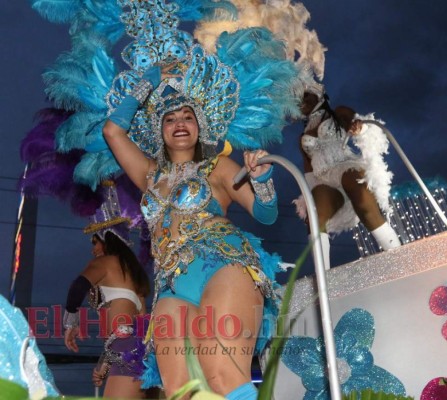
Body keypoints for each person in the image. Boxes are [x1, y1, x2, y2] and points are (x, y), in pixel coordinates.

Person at [102, 60, 283, 399]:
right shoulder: (149, 174)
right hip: (170, 285)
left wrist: (263, 181)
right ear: (160, 129)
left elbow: (266, 214)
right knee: (181, 390)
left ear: (200, 125)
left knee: (222, 374)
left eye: (187, 116)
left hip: (223, 265)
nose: (179, 123)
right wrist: (149, 81)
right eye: (169, 119)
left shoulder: (217, 166)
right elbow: (112, 131)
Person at [294, 84, 401, 269]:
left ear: (317, 94)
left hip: (344, 166)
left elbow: (362, 125)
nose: (300, 100)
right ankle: (324, 279)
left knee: (361, 196)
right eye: (296, 98)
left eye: (305, 94)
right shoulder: (302, 136)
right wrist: (308, 199)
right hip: (323, 179)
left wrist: (361, 130)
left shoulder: (338, 113)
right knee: (314, 216)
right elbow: (308, 169)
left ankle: (399, 257)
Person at [63, 181, 151, 399]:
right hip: (143, 351)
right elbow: (132, 329)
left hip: (127, 348)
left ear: (107, 239)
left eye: (95, 242)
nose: (93, 250)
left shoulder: (105, 263)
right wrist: (104, 363)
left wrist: (70, 323)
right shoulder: (135, 277)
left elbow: (78, 287)